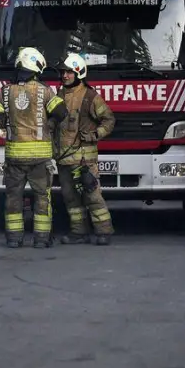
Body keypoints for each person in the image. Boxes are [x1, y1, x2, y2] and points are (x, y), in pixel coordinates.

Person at [0, 47, 66, 249]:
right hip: (40, 158)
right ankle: (41, 239)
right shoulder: (44, 91)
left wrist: (6, 123)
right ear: (37, 68)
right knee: (42, 197)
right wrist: (47, 124)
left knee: (14, 197)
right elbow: (61, 112)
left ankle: (14, 239)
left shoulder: (6, 92)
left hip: (14, 156)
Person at [54, 52, 117, 245]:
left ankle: (104, 231)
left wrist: (95, 135)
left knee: (92, 196)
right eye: (63, 72)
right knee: (70, 198)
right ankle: (78, 233)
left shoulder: (90, 97)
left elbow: (109, 120)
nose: (65, 76)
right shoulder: (59, 94)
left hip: (84, 160)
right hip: (64, 159)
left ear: (79, 73)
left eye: (69, 72)